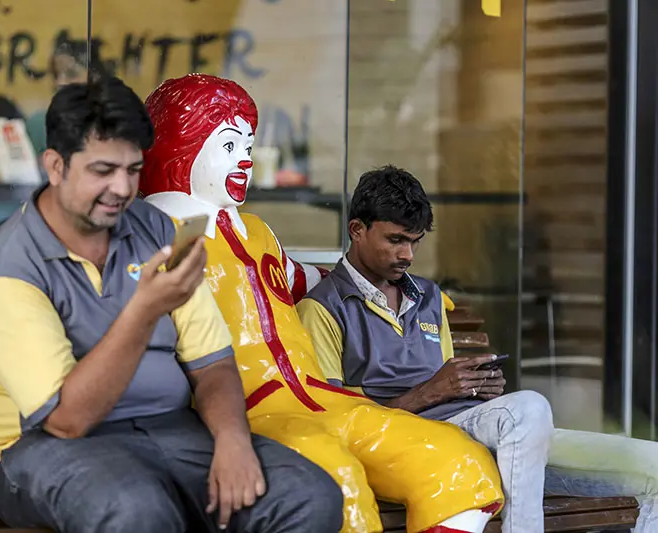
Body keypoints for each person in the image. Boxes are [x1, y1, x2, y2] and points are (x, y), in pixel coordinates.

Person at [0, 75, 344, 533]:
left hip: (173, 431)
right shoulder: (8, 267)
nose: (122, 189)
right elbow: (66, 420)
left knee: (307, 495)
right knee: (137, 509)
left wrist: (233, 439)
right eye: (103, 170)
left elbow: (213, 363)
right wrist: (143, 311)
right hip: (39, 450)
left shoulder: (156, 229)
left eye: (132, 170)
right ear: (56, 166)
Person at [140, 73, 505, 533]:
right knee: (339, 482)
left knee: (459, 460)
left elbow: (302, 278)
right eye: (229, 145)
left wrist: (405, 287)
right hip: (246, 411)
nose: (246, 160)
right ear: (181, 144)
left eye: (249, 146)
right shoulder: (155, 236)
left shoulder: (255, 231)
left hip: (323, 396)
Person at [298, 164, 658, 533]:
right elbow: (333, 420)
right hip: (417, 445)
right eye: (395, 239)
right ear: (357, 229)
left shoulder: (429, 297)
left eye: (415, 241)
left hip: (485, 435)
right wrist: (431, 392)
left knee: (654, 466)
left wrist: (475, 387)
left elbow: (447, 383)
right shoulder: (324, 307)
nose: (407, 253)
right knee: (529, 407)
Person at [25, 31, 107, 155]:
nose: (60, 83)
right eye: (55, 74)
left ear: (95, 78)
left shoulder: (115, 125)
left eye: (71, 74)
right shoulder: (40, 124)